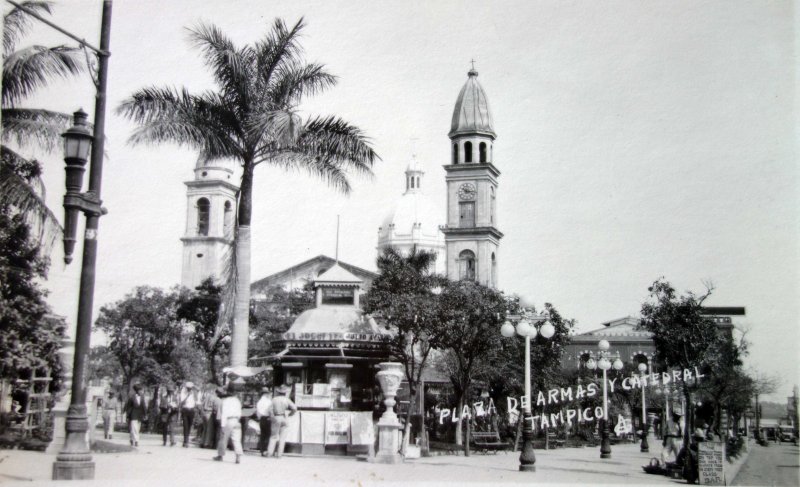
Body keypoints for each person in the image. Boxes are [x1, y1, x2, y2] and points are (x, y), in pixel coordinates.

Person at [213, 385, 243, 464]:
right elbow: (240, 412)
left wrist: (222, 425)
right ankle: (238, 456)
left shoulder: (225, 401)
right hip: (236, 420)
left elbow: (224, 414)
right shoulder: (237, 401)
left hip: (228, 420)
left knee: (223, 439)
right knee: (236, 439)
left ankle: (220, 455)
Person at [266, 384, 297, 458]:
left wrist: (272, 417)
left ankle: (269, 453)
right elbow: (294, 408)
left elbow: (270, 410)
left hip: (276, 417)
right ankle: (279, 454)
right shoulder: (287, 400)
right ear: (285, 392)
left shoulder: (274, 399)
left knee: (273, 436)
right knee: (282, 438)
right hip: (284, 417)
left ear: (278, 392)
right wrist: (290, 414)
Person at [179, 381, 199, 447]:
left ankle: (186, 439)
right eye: (188, 388)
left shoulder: (194, 393)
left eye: (190, 388)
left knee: (190, 425)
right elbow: (181, 402)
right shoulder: (183, 392)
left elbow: (197, 401)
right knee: (185, 426)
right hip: (185, 409)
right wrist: (187, 395)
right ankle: (185, 441)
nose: (189, 389)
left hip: (191, 410)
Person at [256, 387, 273, 456]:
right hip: (268, 418)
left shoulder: (259, 402)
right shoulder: (269, 401)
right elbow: (271, 410)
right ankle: (266, 450)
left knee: (262, 435)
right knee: (268, 435)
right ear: (266, 394)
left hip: (261, 419)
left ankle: (262, 450)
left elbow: (258, 412)